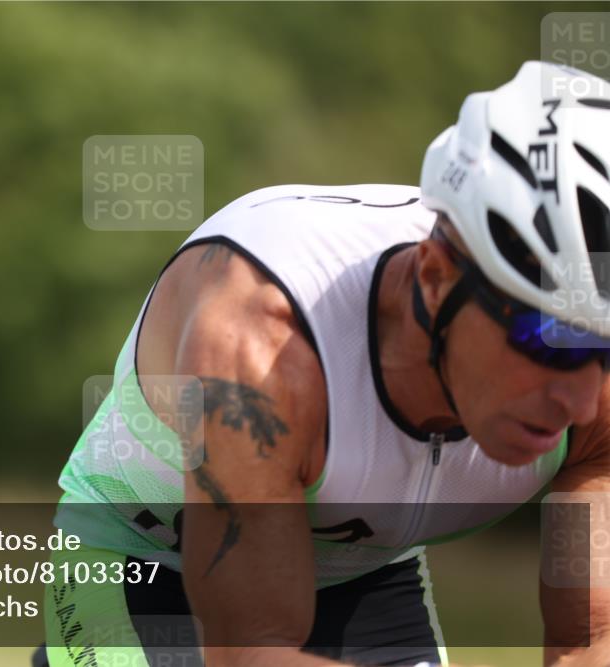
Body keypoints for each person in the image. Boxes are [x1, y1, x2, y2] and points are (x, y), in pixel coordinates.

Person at [41, 61, 610, 667]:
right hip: (145, 564)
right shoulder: (260, 339)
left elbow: (593, 641)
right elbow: (252, 654)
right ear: (437, 280)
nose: (581, 400)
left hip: (364, 574)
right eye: (548, 341)